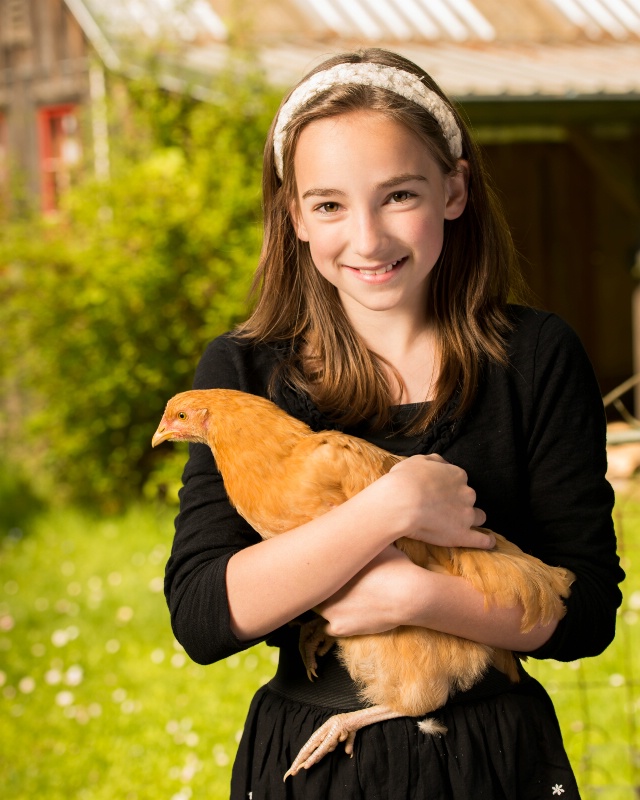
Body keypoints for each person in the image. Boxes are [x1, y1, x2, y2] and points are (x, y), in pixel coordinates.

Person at [164, 48, 624, 799]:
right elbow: (204, 614)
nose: (369, 240)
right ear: (295, 217)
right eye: (330, 205)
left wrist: (414, 597)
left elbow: (586, 613)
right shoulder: (246, 373)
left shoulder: (537, 357)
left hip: (493, 758)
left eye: (399, 195)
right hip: (316, 764)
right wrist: (387, 511)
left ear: (454, 189)